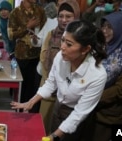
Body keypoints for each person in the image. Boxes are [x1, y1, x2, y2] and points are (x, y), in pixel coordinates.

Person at [11, 20, 108, 141]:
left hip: (77, 117)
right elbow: (51, 83)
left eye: (69, 44)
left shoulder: (97, 75)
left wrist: (53, 136)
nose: (62, 47)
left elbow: (79, 114)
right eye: (62, 40)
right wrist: (32, 101)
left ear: (85, 49)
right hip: (58, 107)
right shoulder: (61, 57)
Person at [79, 12, 122, 141]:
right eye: (103, 26)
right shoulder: (101, 48)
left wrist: (92, 96)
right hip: (90, 112)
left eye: (110, 27)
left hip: (109, 117)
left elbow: (121, 90)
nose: (105, 31)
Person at [33, 0, 80, 134]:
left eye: (68, 16)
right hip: (49, 83)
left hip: (70, 91)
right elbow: (43, 57)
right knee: (44, 122)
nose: (64, 20)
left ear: (75, 16)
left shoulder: (82, 38)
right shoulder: (51, 34)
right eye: (61, 16)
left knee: (63, 126)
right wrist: (51, 80)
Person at [8, 0, 47, 113]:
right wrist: (27, 26)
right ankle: (19, 110)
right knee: (21, 85)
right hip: (22, 54)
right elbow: (11, 35)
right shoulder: (15, 13)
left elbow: (46, 31)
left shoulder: (40, 11)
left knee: (33, 86)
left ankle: (30, 112)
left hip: (37, 54)